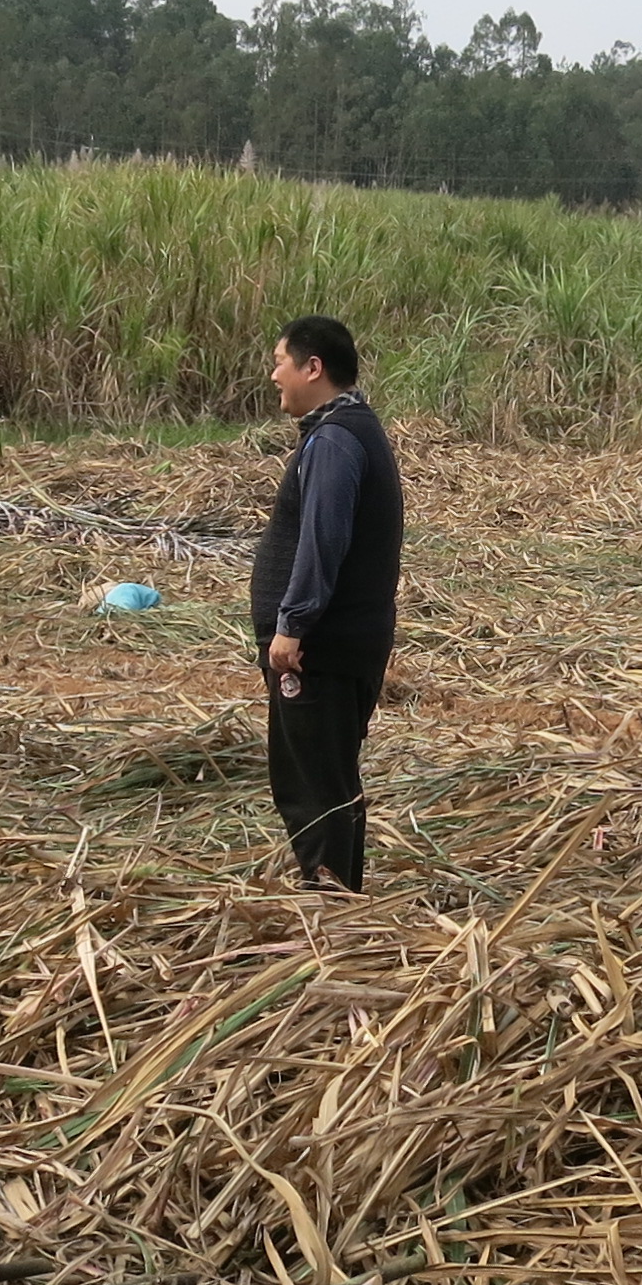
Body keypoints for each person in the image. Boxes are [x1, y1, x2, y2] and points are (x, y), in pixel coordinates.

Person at [249, 314, 403, 891]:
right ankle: (338, 894)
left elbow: (323, 540)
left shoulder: (336, 440)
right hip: (342, 641)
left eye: (281, 361)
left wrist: (292, 626)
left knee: (313, 783)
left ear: (314, 368)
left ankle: (330, 903)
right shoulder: (347, 429)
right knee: (328, 776)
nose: (273, 375)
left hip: (323, 648)